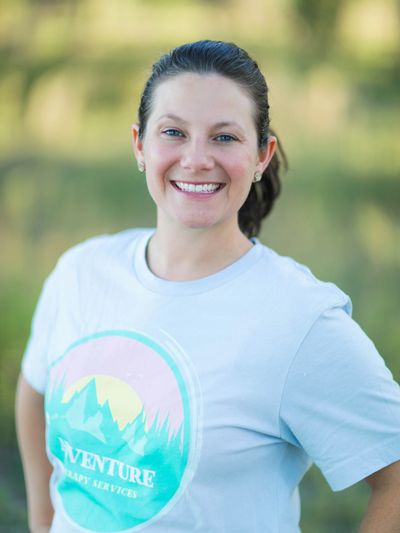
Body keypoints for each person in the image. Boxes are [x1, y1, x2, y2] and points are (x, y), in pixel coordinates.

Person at [16, 40, 400, 533]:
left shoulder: (299, 320)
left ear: (262, 155)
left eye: (224, 138)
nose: (197, 159)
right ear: (140, 144)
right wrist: (43, 522)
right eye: (173, 132)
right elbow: (33, 392)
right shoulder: (81, 272)